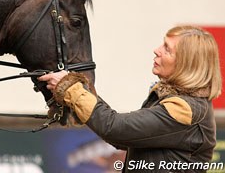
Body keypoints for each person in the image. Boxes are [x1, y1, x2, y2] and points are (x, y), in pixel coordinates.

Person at [38, 25, 222, 173]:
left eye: (167, 49)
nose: (156, 50)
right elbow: (123, 137)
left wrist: (71, 88)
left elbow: (116, 129)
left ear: (186, 65)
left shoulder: (183, 109)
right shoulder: (178, 102)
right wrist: (77, 91)